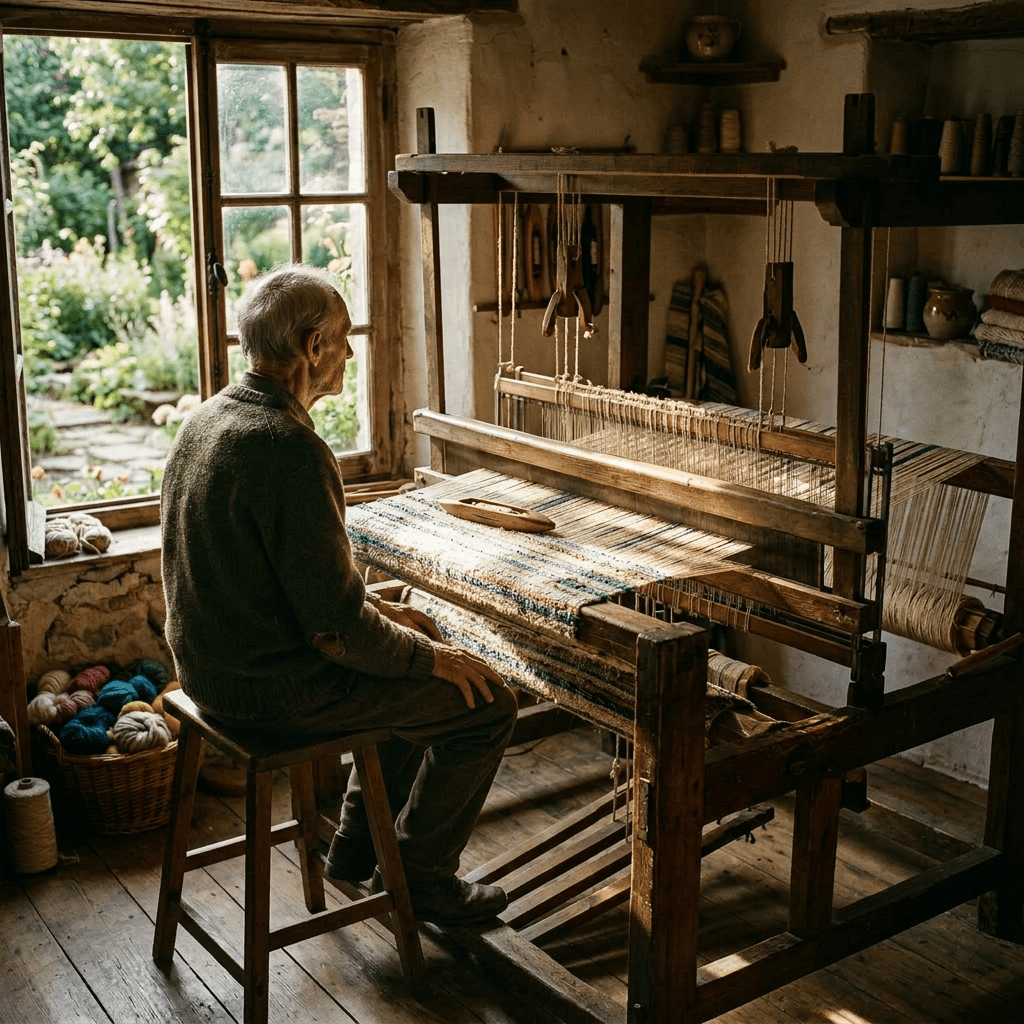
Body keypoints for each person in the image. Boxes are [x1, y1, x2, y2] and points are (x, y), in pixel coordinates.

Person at [161, 263, 518, 926]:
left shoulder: (207, 420)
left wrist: (398, 625)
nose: (351, 352)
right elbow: (337, 633)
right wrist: (427, 656)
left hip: (210, 672)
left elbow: (292, 589)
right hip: (268, 693)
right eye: (343, 336)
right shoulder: (286, 447)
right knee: (487, 702)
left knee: (415, 644)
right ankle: (422, 878)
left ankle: (354, 849)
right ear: (312, 347)